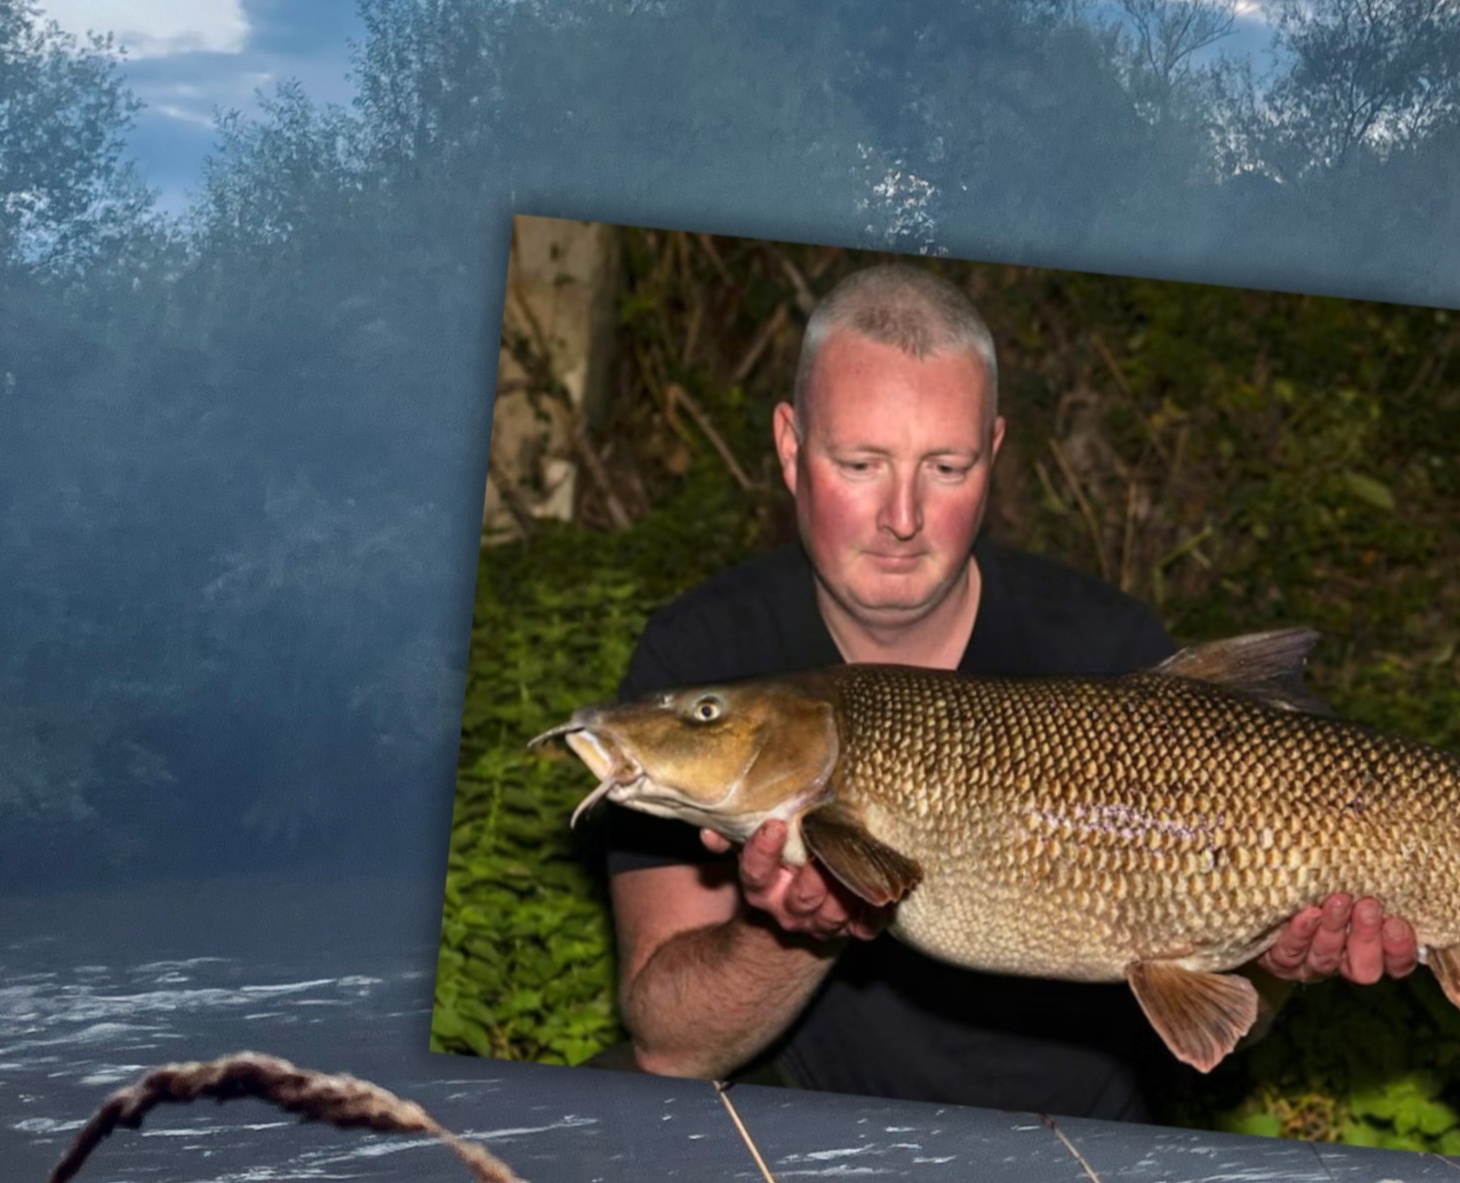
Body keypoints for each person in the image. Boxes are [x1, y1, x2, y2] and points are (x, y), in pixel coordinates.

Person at [601, 263, 1418, 1122]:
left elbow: (1237, 1016)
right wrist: (795, 928)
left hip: (1090, 1131)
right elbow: (670, 1044)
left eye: (946, 467)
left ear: (992, 454)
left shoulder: (1106, 648)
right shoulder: (710, 658)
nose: (903, 516)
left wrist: (1277, 961)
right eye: (862, 463)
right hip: (817, 1122)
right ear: (790, 446)